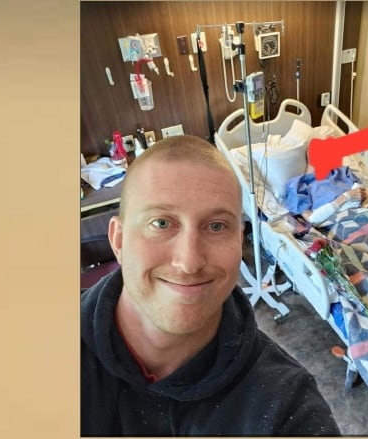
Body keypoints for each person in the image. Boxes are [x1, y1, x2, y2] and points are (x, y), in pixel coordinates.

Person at [80, 135, 341, 436]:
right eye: (161, 223)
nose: (189, 262)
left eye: (217, 226)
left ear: (239, 240)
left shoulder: (285, 405)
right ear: (118, 240)